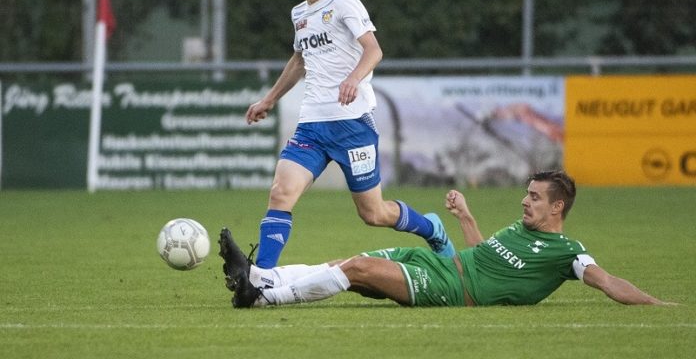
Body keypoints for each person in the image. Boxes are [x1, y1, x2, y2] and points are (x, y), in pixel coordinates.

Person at [243, 0, 454, 269]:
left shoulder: (344, 2)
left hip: (352, 125)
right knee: (281, 193)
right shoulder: (299, 14)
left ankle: (432, 228)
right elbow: (299, 60)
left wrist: (353, 79)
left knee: (373, 213)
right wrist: (269, 99)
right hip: (312, 126)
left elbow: (373, 50)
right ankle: (260, 279)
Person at [219, 170, 671, 308]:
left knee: (356, 270)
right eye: (526, 193)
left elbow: (607, 282)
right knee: (344, 262)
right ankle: (257, 275)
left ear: (558, 208)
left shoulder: (567, 253)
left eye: (534, 197)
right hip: (438, 265)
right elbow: (482, 254)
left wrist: (657, 304)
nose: (524, 201)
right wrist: (467, 216)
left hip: (452, 288)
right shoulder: (520, 231)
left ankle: (262, 298)